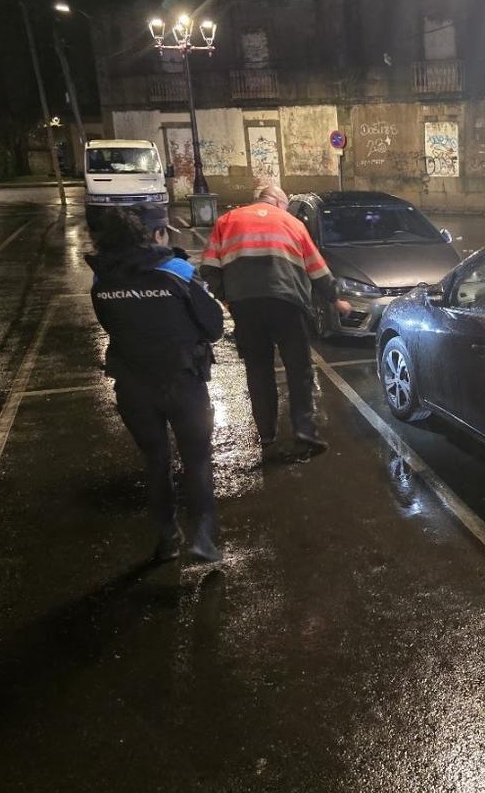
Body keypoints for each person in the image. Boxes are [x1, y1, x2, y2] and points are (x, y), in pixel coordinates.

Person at [87, 204, 225, 563]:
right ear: (157, 235)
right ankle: (203, 539)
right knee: (196, 460)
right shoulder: (177, 271)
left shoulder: (103, 278)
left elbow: (110, 324)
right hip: (182, 382)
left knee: (156, 462)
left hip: (134, 386)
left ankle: (167, 539)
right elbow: (212, 326)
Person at [199, 185, 350, 459]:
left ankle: (266, 433)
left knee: (258, 370)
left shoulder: (226, 221)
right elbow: (317, 269)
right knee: (299, 369)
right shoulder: (291, 222)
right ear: (280, 202)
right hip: (287, 303)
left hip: (246, 307)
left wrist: (228, 299)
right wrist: (336, 299)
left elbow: (209, 267)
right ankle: (304, 432)